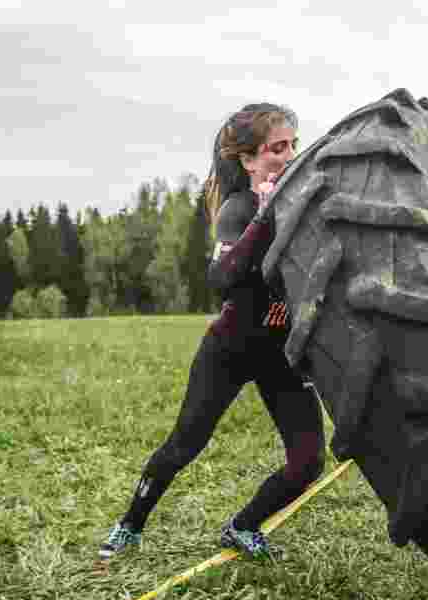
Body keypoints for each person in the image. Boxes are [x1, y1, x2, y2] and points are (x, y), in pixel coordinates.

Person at [98, 103, 325, 561]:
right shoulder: (239, 210)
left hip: (281, 355)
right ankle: (129, 525)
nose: (290, 155)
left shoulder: (300, 206)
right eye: (277, 148)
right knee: (184, 445)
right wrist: (263, 218)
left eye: (293, 146)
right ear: (248, 160)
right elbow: (223, 277)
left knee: (308, 463)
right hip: (231, 348)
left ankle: (243, 527)